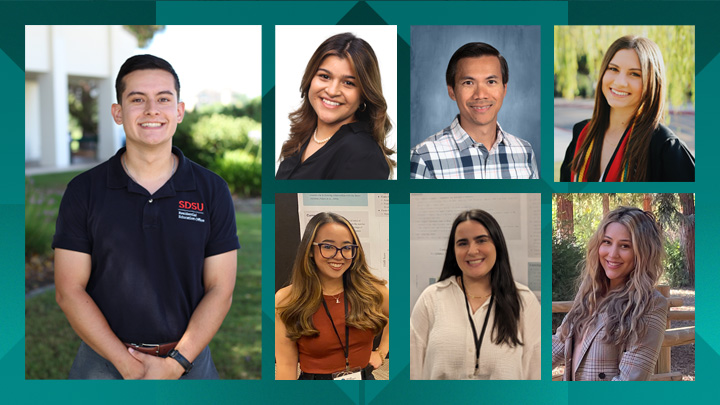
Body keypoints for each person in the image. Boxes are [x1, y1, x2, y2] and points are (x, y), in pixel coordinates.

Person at [53, 55, 240, 379]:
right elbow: (69, 290)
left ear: (179, 111)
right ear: (117, 112)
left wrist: (176, 363)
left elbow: (220, 289)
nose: (152, 110)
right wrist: (126, 364)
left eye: (164, 99)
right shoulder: (83, 191)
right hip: (102, 363)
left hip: (190, 362)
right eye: (137, 99)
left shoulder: (212, 190)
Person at [410, 210, 540, 380]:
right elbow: (412, 372)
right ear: (453, 250)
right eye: (462, 243)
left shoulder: (524, 301)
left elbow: (536, 376)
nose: (472, 251)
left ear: (497, 245)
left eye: (481, 240)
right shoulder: (431, 298)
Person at [552, 207, 668, 381]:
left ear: (642, 253)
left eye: (625, 246)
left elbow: (628, 384)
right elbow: (558, 345)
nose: (612, 254)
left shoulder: (650, 304)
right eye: (607, 242)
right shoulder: (590, 292)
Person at [561, 35, 695, 182]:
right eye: (613, 69)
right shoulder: (582, 133)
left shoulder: (664, 146)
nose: (620, 82)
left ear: (652, 82)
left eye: (634, 74)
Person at [275, 212, 389, 380]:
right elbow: (286, 366)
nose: (339, 255)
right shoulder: (287, 300)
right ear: (311, 250)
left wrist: (381, 351)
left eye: (347, 247)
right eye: (328, 247)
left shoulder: (373, 291)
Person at [276, 32, 395, 180]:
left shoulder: (362, 153)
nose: (332, 91)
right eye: (325, 76)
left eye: (349, 83)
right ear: (310, 79)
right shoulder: (302, 137)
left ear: (364, 94)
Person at [410, 42, 538, 179]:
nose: (480, 95)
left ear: (504, 88)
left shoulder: (525, 152)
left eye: (491, 82)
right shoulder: (424, 157)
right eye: (468, 83)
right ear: (451, 91)